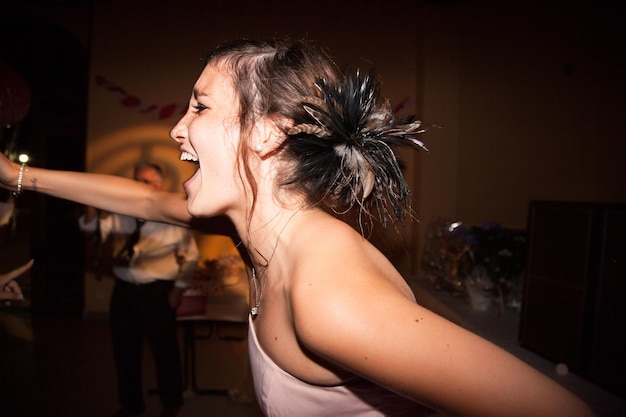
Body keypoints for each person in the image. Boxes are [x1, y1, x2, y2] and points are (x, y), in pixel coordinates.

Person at [0, 38, 594, 417]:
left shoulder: (326, 293)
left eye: (201, 107)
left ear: (268, 133)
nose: (179, 130)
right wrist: (16, 178)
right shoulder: (262, 235)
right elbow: (148, 203)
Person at [78, 162, 199, 417]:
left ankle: (171, 403)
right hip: (124, 290)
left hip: (158, 291)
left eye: (146, 182)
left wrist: (178, 290)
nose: (140, 187)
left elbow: (190, 256)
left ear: (159, 184)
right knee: (124, 351)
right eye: (137, 181)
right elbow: (93, 230)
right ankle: (130, 405)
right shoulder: (122, 211)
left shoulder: (171, 215)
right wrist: (88, 203)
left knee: (164, 350)